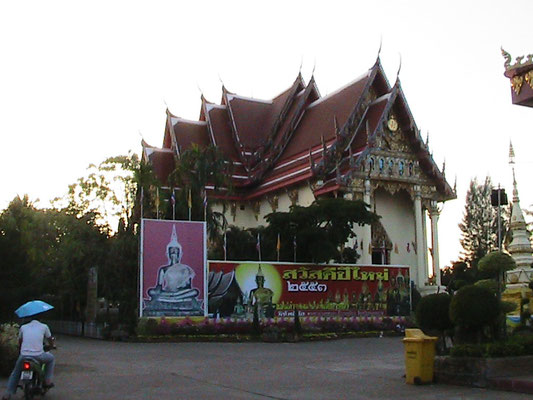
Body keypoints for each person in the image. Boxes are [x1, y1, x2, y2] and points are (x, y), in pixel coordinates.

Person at [2, 317, 55, 400]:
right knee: (51, 359)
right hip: (38, 355)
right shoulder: (44, 326)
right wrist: (52, 346)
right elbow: (50, 339)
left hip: (24, 356)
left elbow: (20, 341)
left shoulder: (23, 327)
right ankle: (47, 380)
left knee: (15, 373)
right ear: (40, 318)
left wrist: (21, 351)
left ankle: (8, 393)